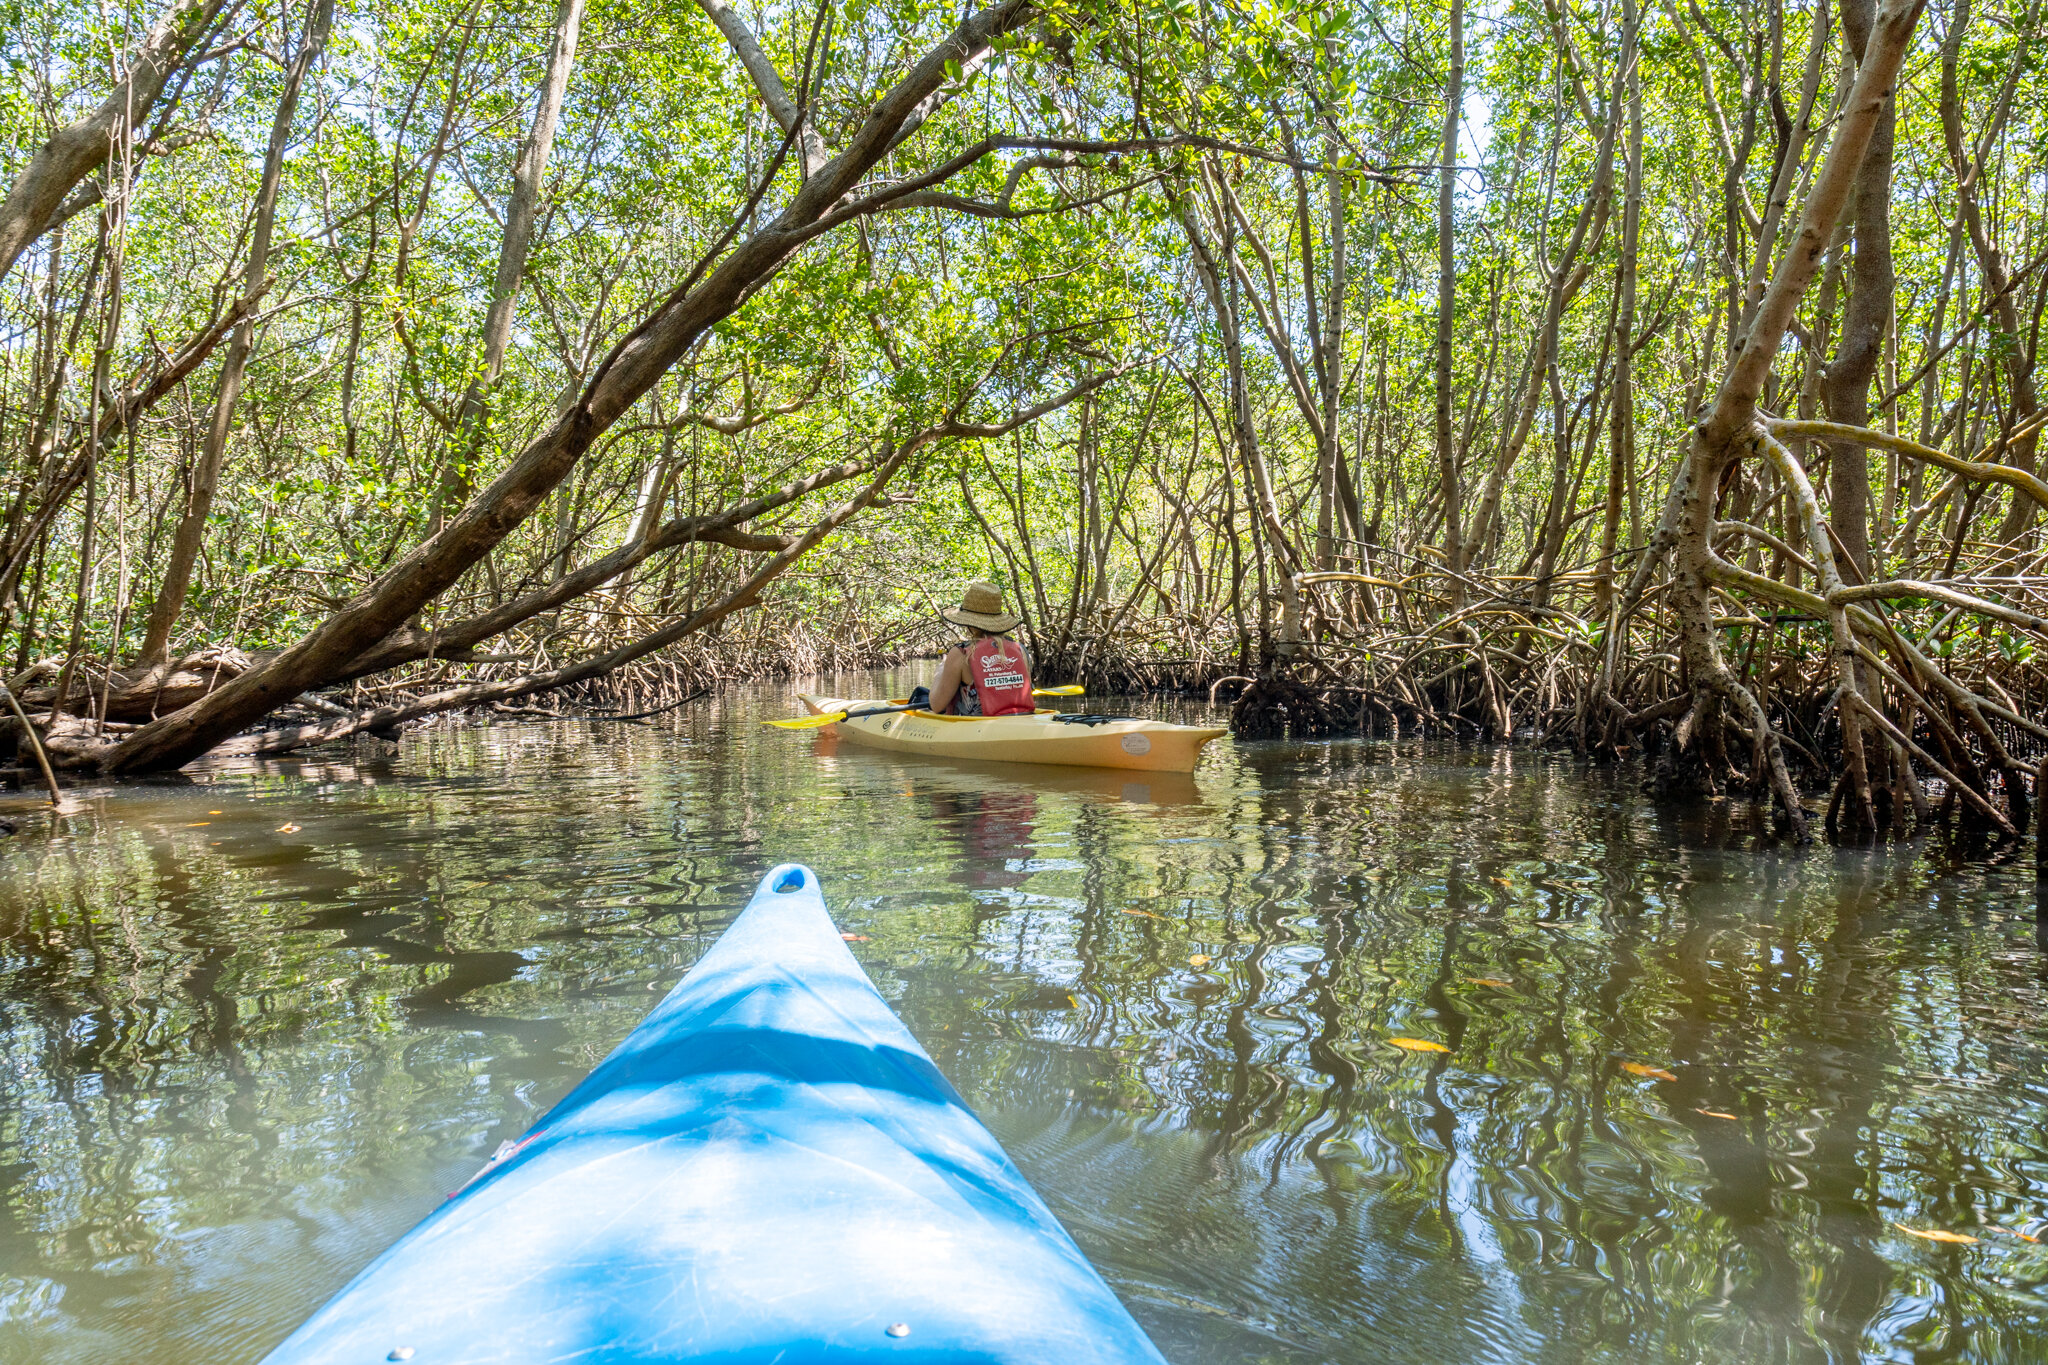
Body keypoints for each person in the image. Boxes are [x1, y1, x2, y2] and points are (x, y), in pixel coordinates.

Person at [924, 581, 1035, 716]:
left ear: (970, 623)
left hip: (978, 731)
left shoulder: (961, 653)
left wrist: (940, 671)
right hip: (1019, 725)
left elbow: (936, 705)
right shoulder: (1020, 649)